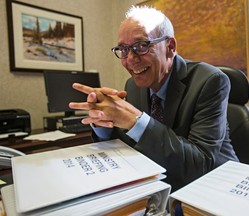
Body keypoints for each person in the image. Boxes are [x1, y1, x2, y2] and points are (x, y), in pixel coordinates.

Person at [69, 5, 239, 192]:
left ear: (170, 47)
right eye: (124, 50)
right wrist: (104, 123)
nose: (131, 59)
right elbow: (134, 141)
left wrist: (135, 120)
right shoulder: (132, 86)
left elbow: (199, 164)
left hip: (214, 187)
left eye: (141, 46)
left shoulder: (210, 81)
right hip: (162, 184)